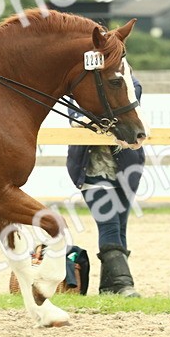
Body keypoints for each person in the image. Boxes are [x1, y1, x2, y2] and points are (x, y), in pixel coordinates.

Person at [65, 74, 146, 296]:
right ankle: (122, 285)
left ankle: (109, 287)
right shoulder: (78, 90)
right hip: (91, 169)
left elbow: (122, 111)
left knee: (119, 229)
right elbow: (77, 120)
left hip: (126, 171)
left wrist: (98, 120)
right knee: (109, 225)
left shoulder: (131, 85)